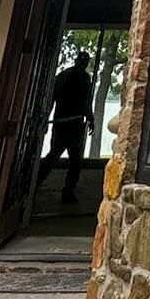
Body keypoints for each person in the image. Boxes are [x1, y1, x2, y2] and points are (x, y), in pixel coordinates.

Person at [37, 50, 95, 205]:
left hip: (68, 123)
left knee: (68, 160)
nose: (84, 64)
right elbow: (86, 101)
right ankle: (38, 185)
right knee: (61, 158)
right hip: (68, 123)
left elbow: (86, 101)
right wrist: (90, 117)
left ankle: (64, 190)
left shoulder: (67, 76)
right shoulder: (77, 77)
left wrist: (90, 117)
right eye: (83, 61)